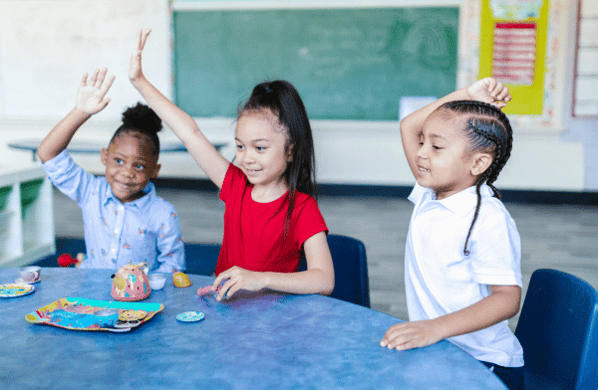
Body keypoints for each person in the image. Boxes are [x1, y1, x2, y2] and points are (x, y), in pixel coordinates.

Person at [129, 29, 334, 300]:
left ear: (291, 151)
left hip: (273, 325)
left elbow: (324, 279)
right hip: (226, 314)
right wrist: (139, 81)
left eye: (260, 148)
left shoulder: (302, 208)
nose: (246, 158)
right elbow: (190, 133)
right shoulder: (235, 184)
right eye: (240, 146)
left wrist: (260, 279)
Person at [380, 78, 524, 390]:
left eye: (436, 147)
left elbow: (507, 299)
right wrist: (468, 95)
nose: (421, 154)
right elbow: (409, 125)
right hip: (443, 349)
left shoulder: (488, 218)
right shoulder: (430, 192)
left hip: (486, 364)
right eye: (423, 144)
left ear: (478, 163)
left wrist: (434, 328)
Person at [37, 68, 185, 273]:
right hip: (90, 295)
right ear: (104, 157)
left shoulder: (163, 213)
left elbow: (174, 266)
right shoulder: (91, 192)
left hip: (138, 301)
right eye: (118, 160)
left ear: (155, 170)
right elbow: (48, 154)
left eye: (139, 165)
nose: (127, 172)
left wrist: (146, 286)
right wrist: (80, 112)